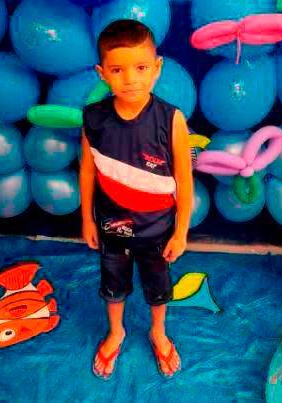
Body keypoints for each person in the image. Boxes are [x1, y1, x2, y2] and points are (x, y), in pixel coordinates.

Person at [80, 19, 193, 380]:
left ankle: (158, 331)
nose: (130, 79)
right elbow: (87, 171)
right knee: (113, 283)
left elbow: (185, 182)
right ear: (102, 74)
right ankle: (116, 331)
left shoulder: (171, 119)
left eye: (141, 68)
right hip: (111, 226)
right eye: (118, 70)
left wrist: (181, 233)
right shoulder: (94, 118)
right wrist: (87, 220)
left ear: (157, 68)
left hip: (158, 229)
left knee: (158, 285)